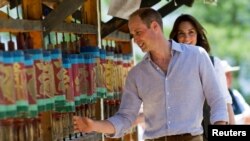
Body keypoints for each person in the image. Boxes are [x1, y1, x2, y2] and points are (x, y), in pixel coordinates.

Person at [73, 8, 228, 141]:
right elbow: (125, 118)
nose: (135, 40)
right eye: (133, 34)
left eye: (138, 32)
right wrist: (94, 125)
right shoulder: (136, 74)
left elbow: (217, 100)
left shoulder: (196, 56)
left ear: (155, 26)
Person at [169, 14, 235, 141]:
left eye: (191, 32)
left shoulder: (214, 63)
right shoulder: (170, 66)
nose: (186, 38)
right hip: (184, 135)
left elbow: (225, 102)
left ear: (198, 35)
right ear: (176, 38)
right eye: (181, 33)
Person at [221, 60, 250, 124]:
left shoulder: (234, 93)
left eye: (230, 74)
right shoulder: (216, 97)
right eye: (227, 75)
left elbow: (247, 111)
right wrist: (243, 118)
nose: (230, 77)